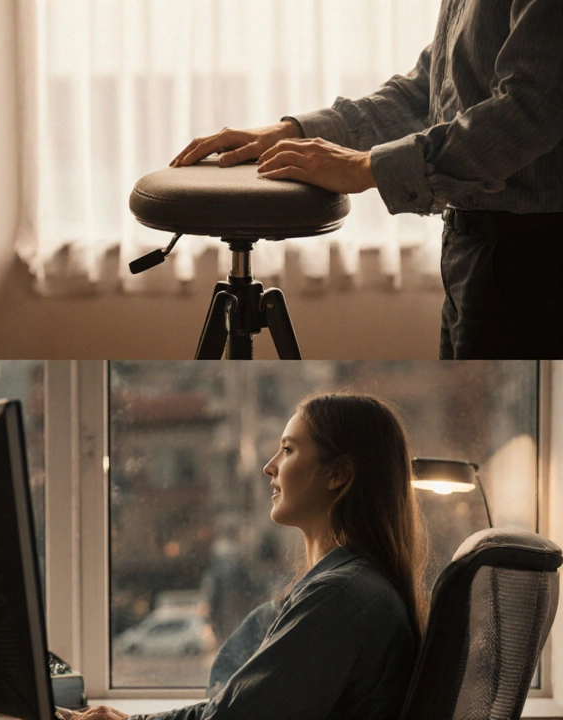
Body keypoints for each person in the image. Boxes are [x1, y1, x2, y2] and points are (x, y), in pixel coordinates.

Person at [170, 0, 563, 360]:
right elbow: (424, 92)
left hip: (529, 255)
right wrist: (293, 131)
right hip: (469, 246)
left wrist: (365, 167)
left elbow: (531, 109)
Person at [58, 393, 430, 720]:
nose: (270, 466)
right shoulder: (349, 587)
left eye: (287, 450)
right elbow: (233, 707)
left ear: (337, 474)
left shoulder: (341, 597)